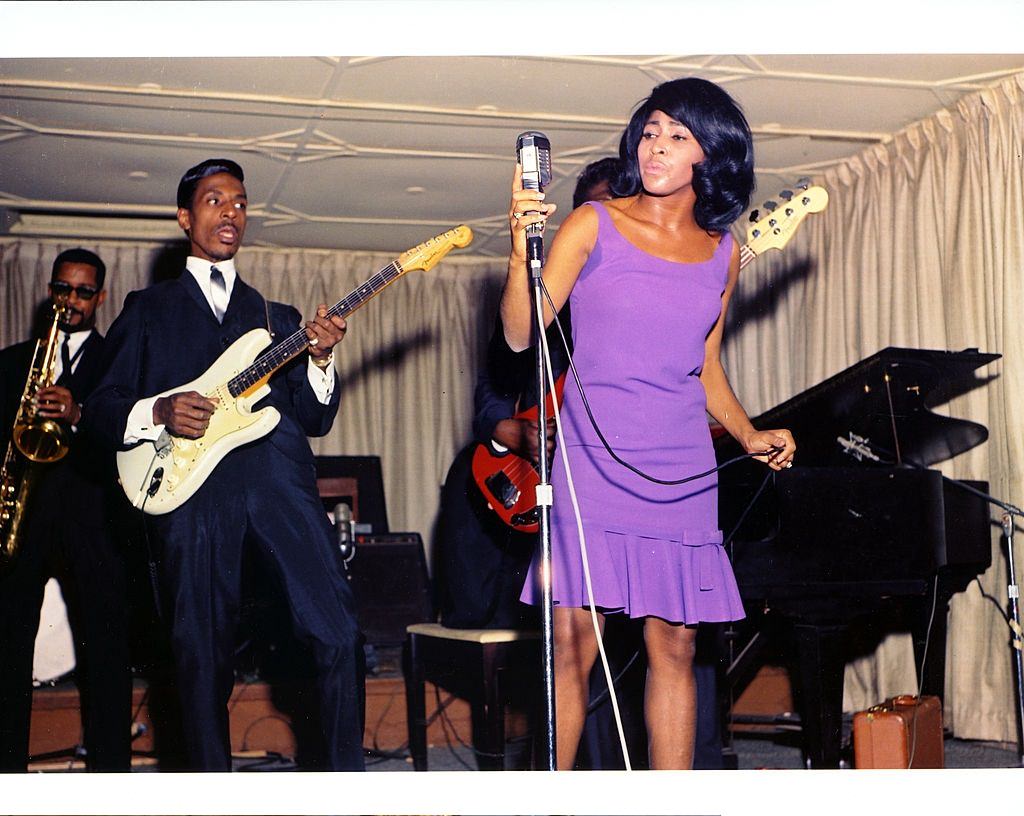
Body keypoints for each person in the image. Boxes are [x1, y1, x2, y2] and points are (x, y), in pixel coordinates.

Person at [500, 78, 796, 770]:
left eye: (678, 135)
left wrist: (750, 435)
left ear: (710, 155)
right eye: (651, 129)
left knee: (678, 647)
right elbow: (522, 334)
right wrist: (521, 253)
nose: (656, 144)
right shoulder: (593, 223)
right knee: (573, 645)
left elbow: (706, 366)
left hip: (681, 466)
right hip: (593, 464)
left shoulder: (723, 253)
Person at [82, 158, 364, 771]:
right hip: (191, 493)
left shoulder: (277, 318)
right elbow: (98, 409)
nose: (230, 212)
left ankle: (350, 788)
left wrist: (319, 361)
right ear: (186, 217)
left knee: (338, 629)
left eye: (239, 202)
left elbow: (314, 419)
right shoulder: (147, 309)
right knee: (200, 655)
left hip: (277, 484)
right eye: (214, 201)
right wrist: (158, 410)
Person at [435, 158, 618, 633]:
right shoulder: (552, 294)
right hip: (519, 493)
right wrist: (508, 430)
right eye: (594, 210)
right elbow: (497, 376)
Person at [0, 248, 132, 772]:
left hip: (93, 521)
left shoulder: (118, 362)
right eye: (62, 289)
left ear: (99, 298)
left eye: (82, 292)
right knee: (8, 652)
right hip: (24, 519)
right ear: (49, 292)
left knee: (105, 654)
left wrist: (78, 413)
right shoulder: (12, 362)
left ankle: (110, 779)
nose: (70, 302)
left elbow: (128, 441)